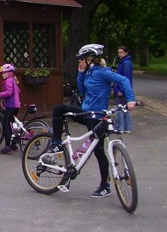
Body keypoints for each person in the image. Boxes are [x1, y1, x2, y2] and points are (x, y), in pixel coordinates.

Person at [49, 44, 137, 198]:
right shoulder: (89, 72)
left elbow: (123, 80)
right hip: (86, 113)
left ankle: (105, 186)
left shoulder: (103, 72)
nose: (79, 62)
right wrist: (81, 73)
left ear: (89, 59)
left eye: (81, 59)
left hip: (97, 116)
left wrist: (131, 99)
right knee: (59, 109)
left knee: (99, 151)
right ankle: (56, 142)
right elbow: (82, 90)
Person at [0, 63, 21, 154]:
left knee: (6, 124)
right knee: (12, 125)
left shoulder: (8, 80)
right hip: (16, 105)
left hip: (11, 105)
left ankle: (7, 147)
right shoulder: (13, 79)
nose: (2, 74)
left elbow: (9, 92)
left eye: (3, 73)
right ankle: (13, 145)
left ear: (9, 73)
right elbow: (18, 91)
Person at [114, 45, 134, 133]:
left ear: (126, 53)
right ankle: (127, 127)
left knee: (120, 108)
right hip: (123, 88)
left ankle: (120, 127)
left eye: (121, 52)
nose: (119, 54)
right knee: (125, 108)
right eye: (119, 52)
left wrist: (121, 90)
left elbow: (126, 78)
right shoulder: (124, 62)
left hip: (122, 89)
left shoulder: (126, 63)